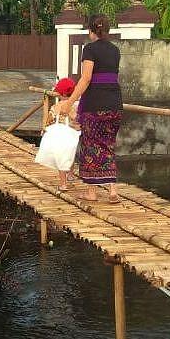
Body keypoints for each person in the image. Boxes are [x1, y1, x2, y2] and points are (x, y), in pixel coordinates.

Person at [56, 15, 122, 203]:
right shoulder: (115, 50)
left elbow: (86, 79)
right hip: (115, 105)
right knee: (108, 145)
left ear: (91, 31)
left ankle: (91, 193)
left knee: (91, 146)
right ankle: (112, 191)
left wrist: (69, 103)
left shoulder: (90, 49)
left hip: (95, 105)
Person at [50, 76, 78, 191]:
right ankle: (71, 175)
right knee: (71, 155)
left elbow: (50, 119)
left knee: (61, 158)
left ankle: (63, 183)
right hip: (73, 135)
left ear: (60, 93)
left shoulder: (56, 107)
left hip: (61, 135)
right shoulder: (75, 106)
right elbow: (77, 119)